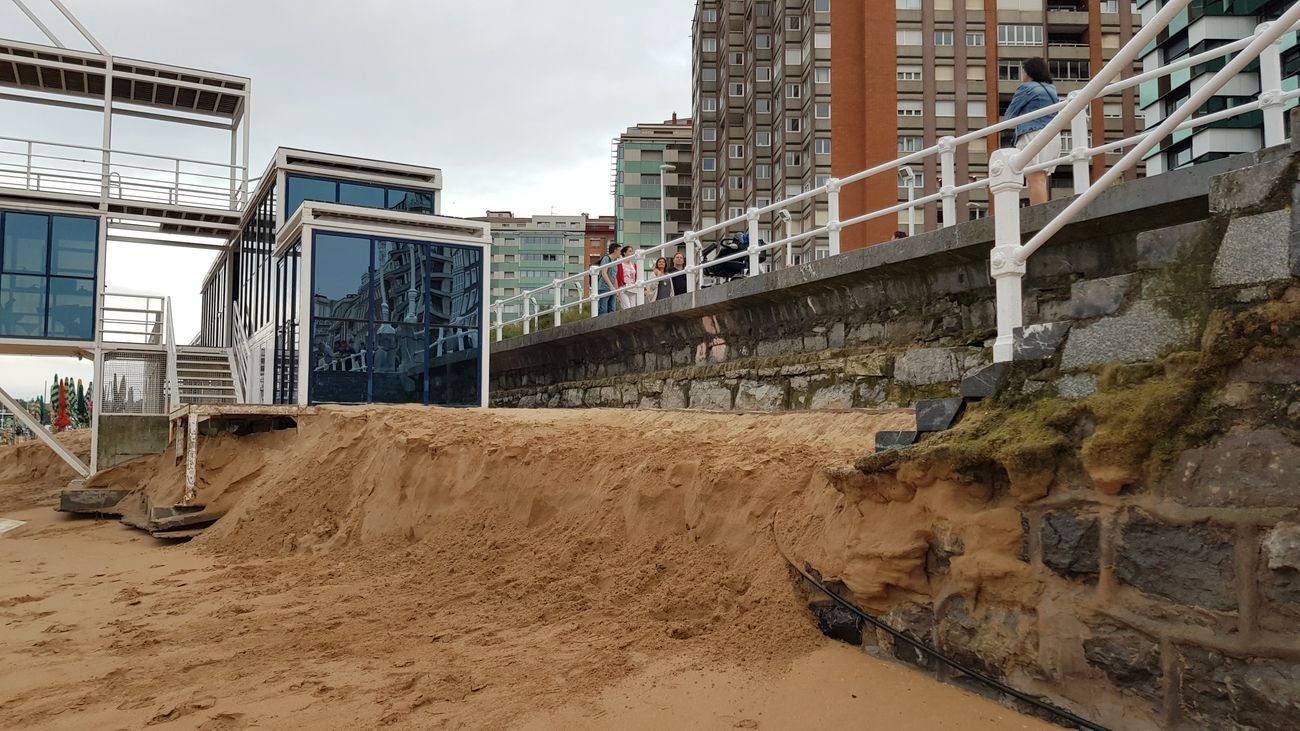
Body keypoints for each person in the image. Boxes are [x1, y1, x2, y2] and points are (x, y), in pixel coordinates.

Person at [1005, 57, 1062, 206]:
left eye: (1023, 71)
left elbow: (1010, 115)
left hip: (1033, 133)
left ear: (1029, 72)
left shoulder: (1027, 88)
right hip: (1052, 134)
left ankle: (1038, 214)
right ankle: (1042, 211)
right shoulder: (1051, 89)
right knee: (1041, 177)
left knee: (1033, 177)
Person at [597, 242, 619, 315]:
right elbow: (604, 273)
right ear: (615, 250)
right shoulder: (606, 259)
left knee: (612, 309)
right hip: (604, 288)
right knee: (603, 309)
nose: (620, 253)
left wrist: (616, 289)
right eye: (619, 250)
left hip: (612, 289)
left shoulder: (615, 262)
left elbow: (614, 276)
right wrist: (611, 286)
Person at [617, 246, 639, 310]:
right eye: (630, 251)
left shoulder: (634, 265)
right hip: (624, 288)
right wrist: (617, 291)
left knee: (633, 309)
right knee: (626, 308)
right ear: (624, 253)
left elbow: (637, 277)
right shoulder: (620, 264)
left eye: (632, 251)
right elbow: (617, 278)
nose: (631, 253)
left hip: (633, 288)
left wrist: (644, 289)